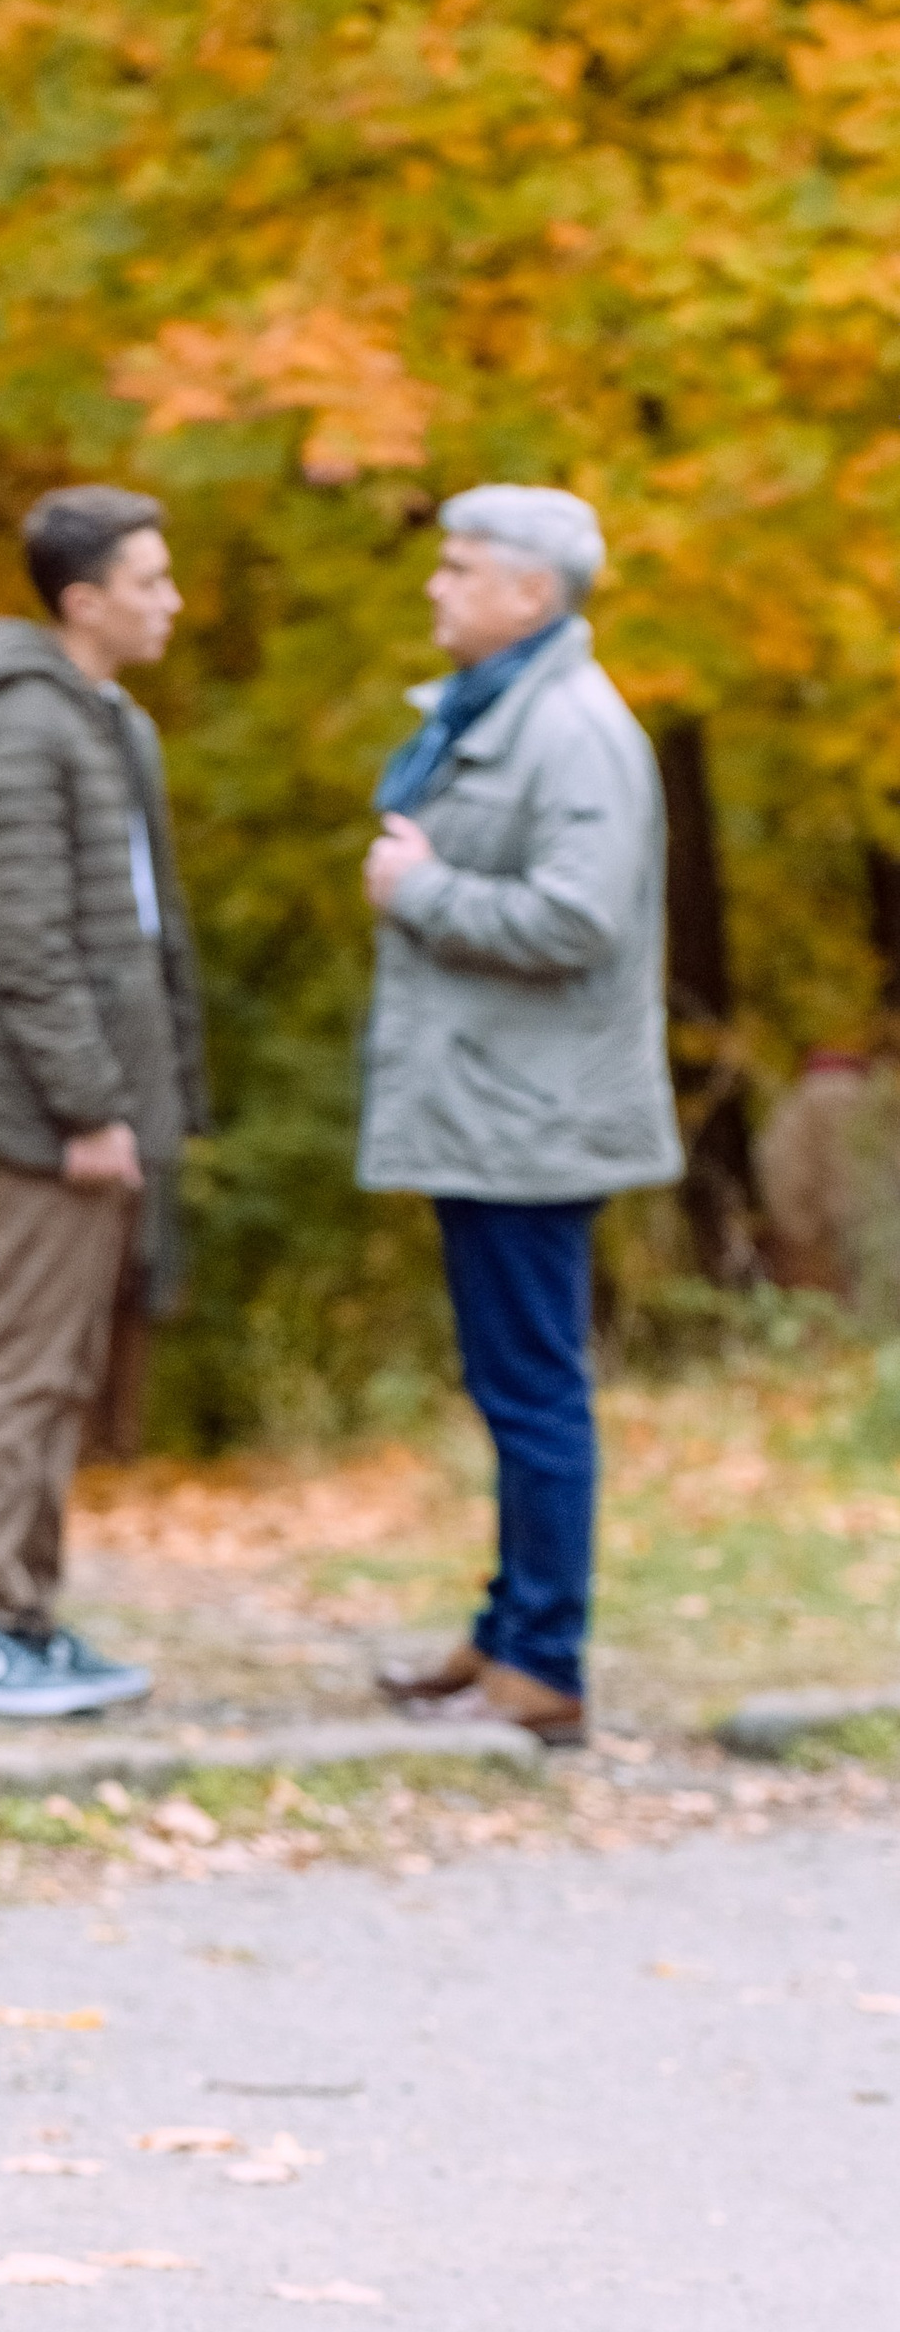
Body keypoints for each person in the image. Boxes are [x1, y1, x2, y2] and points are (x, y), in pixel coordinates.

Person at [358, 485, 682, 1746]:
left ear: (530, 594)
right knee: (508, 1382)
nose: (437, 587)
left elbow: (578, 918)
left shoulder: (573, 730)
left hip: (533, 1117)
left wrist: (426, 888)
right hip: (493, 1108)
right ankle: (505, 1631)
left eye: (459, 568)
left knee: (535, 1389)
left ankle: (543, 1659)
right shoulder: (504, 710)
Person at [0, 485, 209, 1719]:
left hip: (108, 1109)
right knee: (23, 1367)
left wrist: (158, 1101)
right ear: (85, 601)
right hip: (58, 1119)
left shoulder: (103, 722)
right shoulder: (24, 733)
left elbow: (142, 936)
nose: (172, 601)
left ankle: (28, 1622)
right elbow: (30, 948)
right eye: (151, 580)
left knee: (63, 1368)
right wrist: (94, 1109)